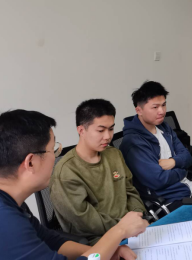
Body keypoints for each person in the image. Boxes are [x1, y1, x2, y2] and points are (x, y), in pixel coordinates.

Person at [0, 109, 147, 260]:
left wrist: (106, 251)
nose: (55, 158)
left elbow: (51, 241)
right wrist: (119, 231)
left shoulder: (12, 204)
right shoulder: (3, 220)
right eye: (52, 150)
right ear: (31, 163)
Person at [50, 99, 146, 245]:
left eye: (111, 129)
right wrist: (124, 226)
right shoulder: (66, 172)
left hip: (131, 229)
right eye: (101, 130)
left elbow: (130, 190)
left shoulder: (114, 154)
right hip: (98, 241)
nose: (108, 136)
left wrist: (137, 214)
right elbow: (86, 222)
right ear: (81, 130)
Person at [120, 81, 192, 210]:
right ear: (139, 110)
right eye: (155, 107)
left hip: (188, 186)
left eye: (163, 105)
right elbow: (158, 180)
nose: (161, 111)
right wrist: (182, 170)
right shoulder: (134, 142)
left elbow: (187, 157)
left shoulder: (164, 127)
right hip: (169, 198)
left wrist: (173, 162)